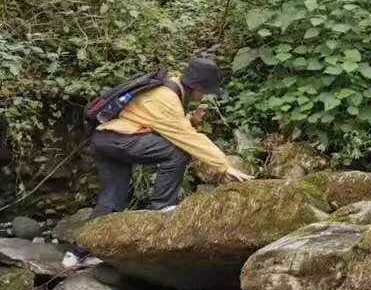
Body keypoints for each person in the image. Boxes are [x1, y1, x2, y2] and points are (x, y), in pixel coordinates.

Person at [64, 57, 250, 267]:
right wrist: (224, 165)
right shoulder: (166, 98)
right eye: (205, 91)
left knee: (111, 200)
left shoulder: (168, 88)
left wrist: (190, 121)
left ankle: (76, 253)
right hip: (118, 140)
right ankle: (161, 208)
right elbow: (187, 138)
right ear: (198, 88)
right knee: (177, 151)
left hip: (107, 140)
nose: (205, 95)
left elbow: (160, 123)